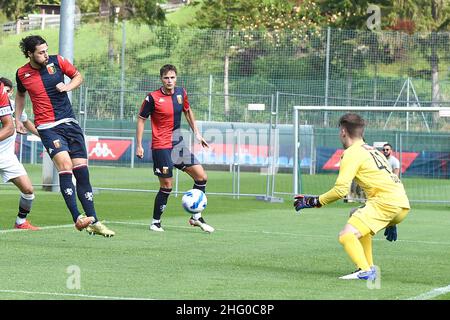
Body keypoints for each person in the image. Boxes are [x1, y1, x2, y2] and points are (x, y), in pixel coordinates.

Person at [14, 35, 115, 237]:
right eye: (40, 52)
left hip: (70, 123)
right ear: (29, 54)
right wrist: (18, 119)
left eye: (46, 50)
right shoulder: (22, 74)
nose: (45, 54)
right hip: (48, 127)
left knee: (82, 171)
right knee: (65, 166)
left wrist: (67, 87)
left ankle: (93, 220)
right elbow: (21, 95)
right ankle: (77, 218)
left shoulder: (58, 61)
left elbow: (78, 76)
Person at [294, 113, 410, 280]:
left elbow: (341, 190)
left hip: (385, 205)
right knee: (354, 213)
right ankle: (369, 267)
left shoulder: (351, 153)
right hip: (401, 204)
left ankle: (365, 271)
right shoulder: (373, 151)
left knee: (346, 235)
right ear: (361, 132)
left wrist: (314, 201)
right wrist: (391, 220)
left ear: (343, 132)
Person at [136, 64, 214, 233]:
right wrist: (139, 144)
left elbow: (187, 111)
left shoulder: (181, 93)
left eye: (172, 77)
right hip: (161, 146)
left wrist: (197, 134)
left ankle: (196, 217)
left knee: (201, 177)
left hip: (177, 145)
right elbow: (141, 119)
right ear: (161, 79)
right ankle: (155, 222)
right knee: (167, 186)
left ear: (176, 78)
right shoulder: (152, 98)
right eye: (166, 78)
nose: (169, 81)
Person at [0, 77, 40, 230]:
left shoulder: (13, 107)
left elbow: (27, 123)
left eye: (9, 91)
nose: (7, 93)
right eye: (5, 90)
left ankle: (21, 221)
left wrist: (44, 137)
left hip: (7, 157)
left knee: (28, 190)